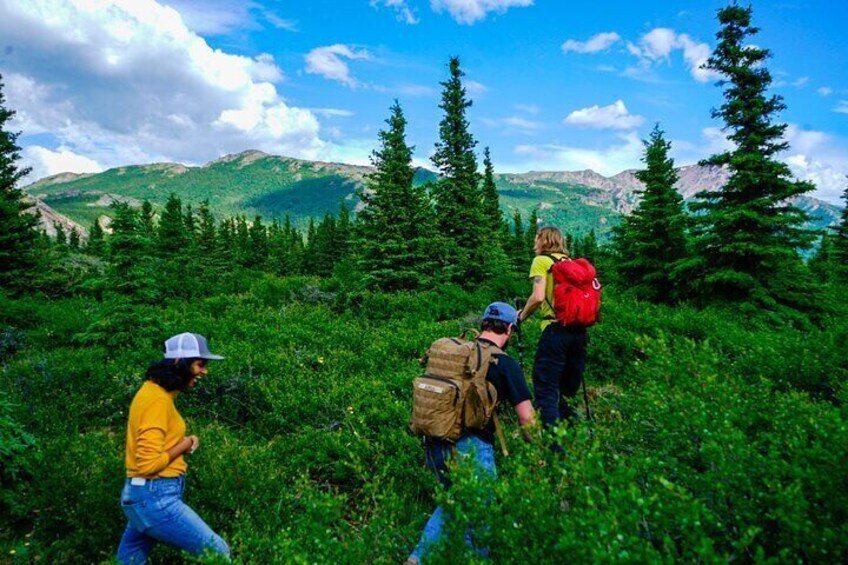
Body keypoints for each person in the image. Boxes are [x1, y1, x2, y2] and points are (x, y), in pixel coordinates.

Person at [406, 302, 535, 565]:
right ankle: (421, 557)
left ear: (483, 324)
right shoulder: (504, 362)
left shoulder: (461, 352)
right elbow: (526, 417)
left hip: (435, 443)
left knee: (455, 505)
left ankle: (426, 557)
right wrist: (539, 449)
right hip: (471, 448)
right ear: (509, 329)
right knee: (476, 513)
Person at [116, 332, 230, 564]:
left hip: (137, 495)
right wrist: (185, 444)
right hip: (155, 496)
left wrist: (180, 444)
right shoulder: (157, 400)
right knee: (217, 553)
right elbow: (148, 464)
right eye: (200, 364)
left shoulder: (151, 393)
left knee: (130, 559)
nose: (204, 370)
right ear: (179, 362)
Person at [518, 226, 588, 428]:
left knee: (546, 390)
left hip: (555, 329)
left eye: (536, 238)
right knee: (566, 391)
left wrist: (521, 316)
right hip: (579, 332)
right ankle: (573, 439)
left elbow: (538, 297)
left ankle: (553, 448)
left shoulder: (541, 261)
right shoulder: (571, 263)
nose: (534, 243)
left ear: (544, 240)